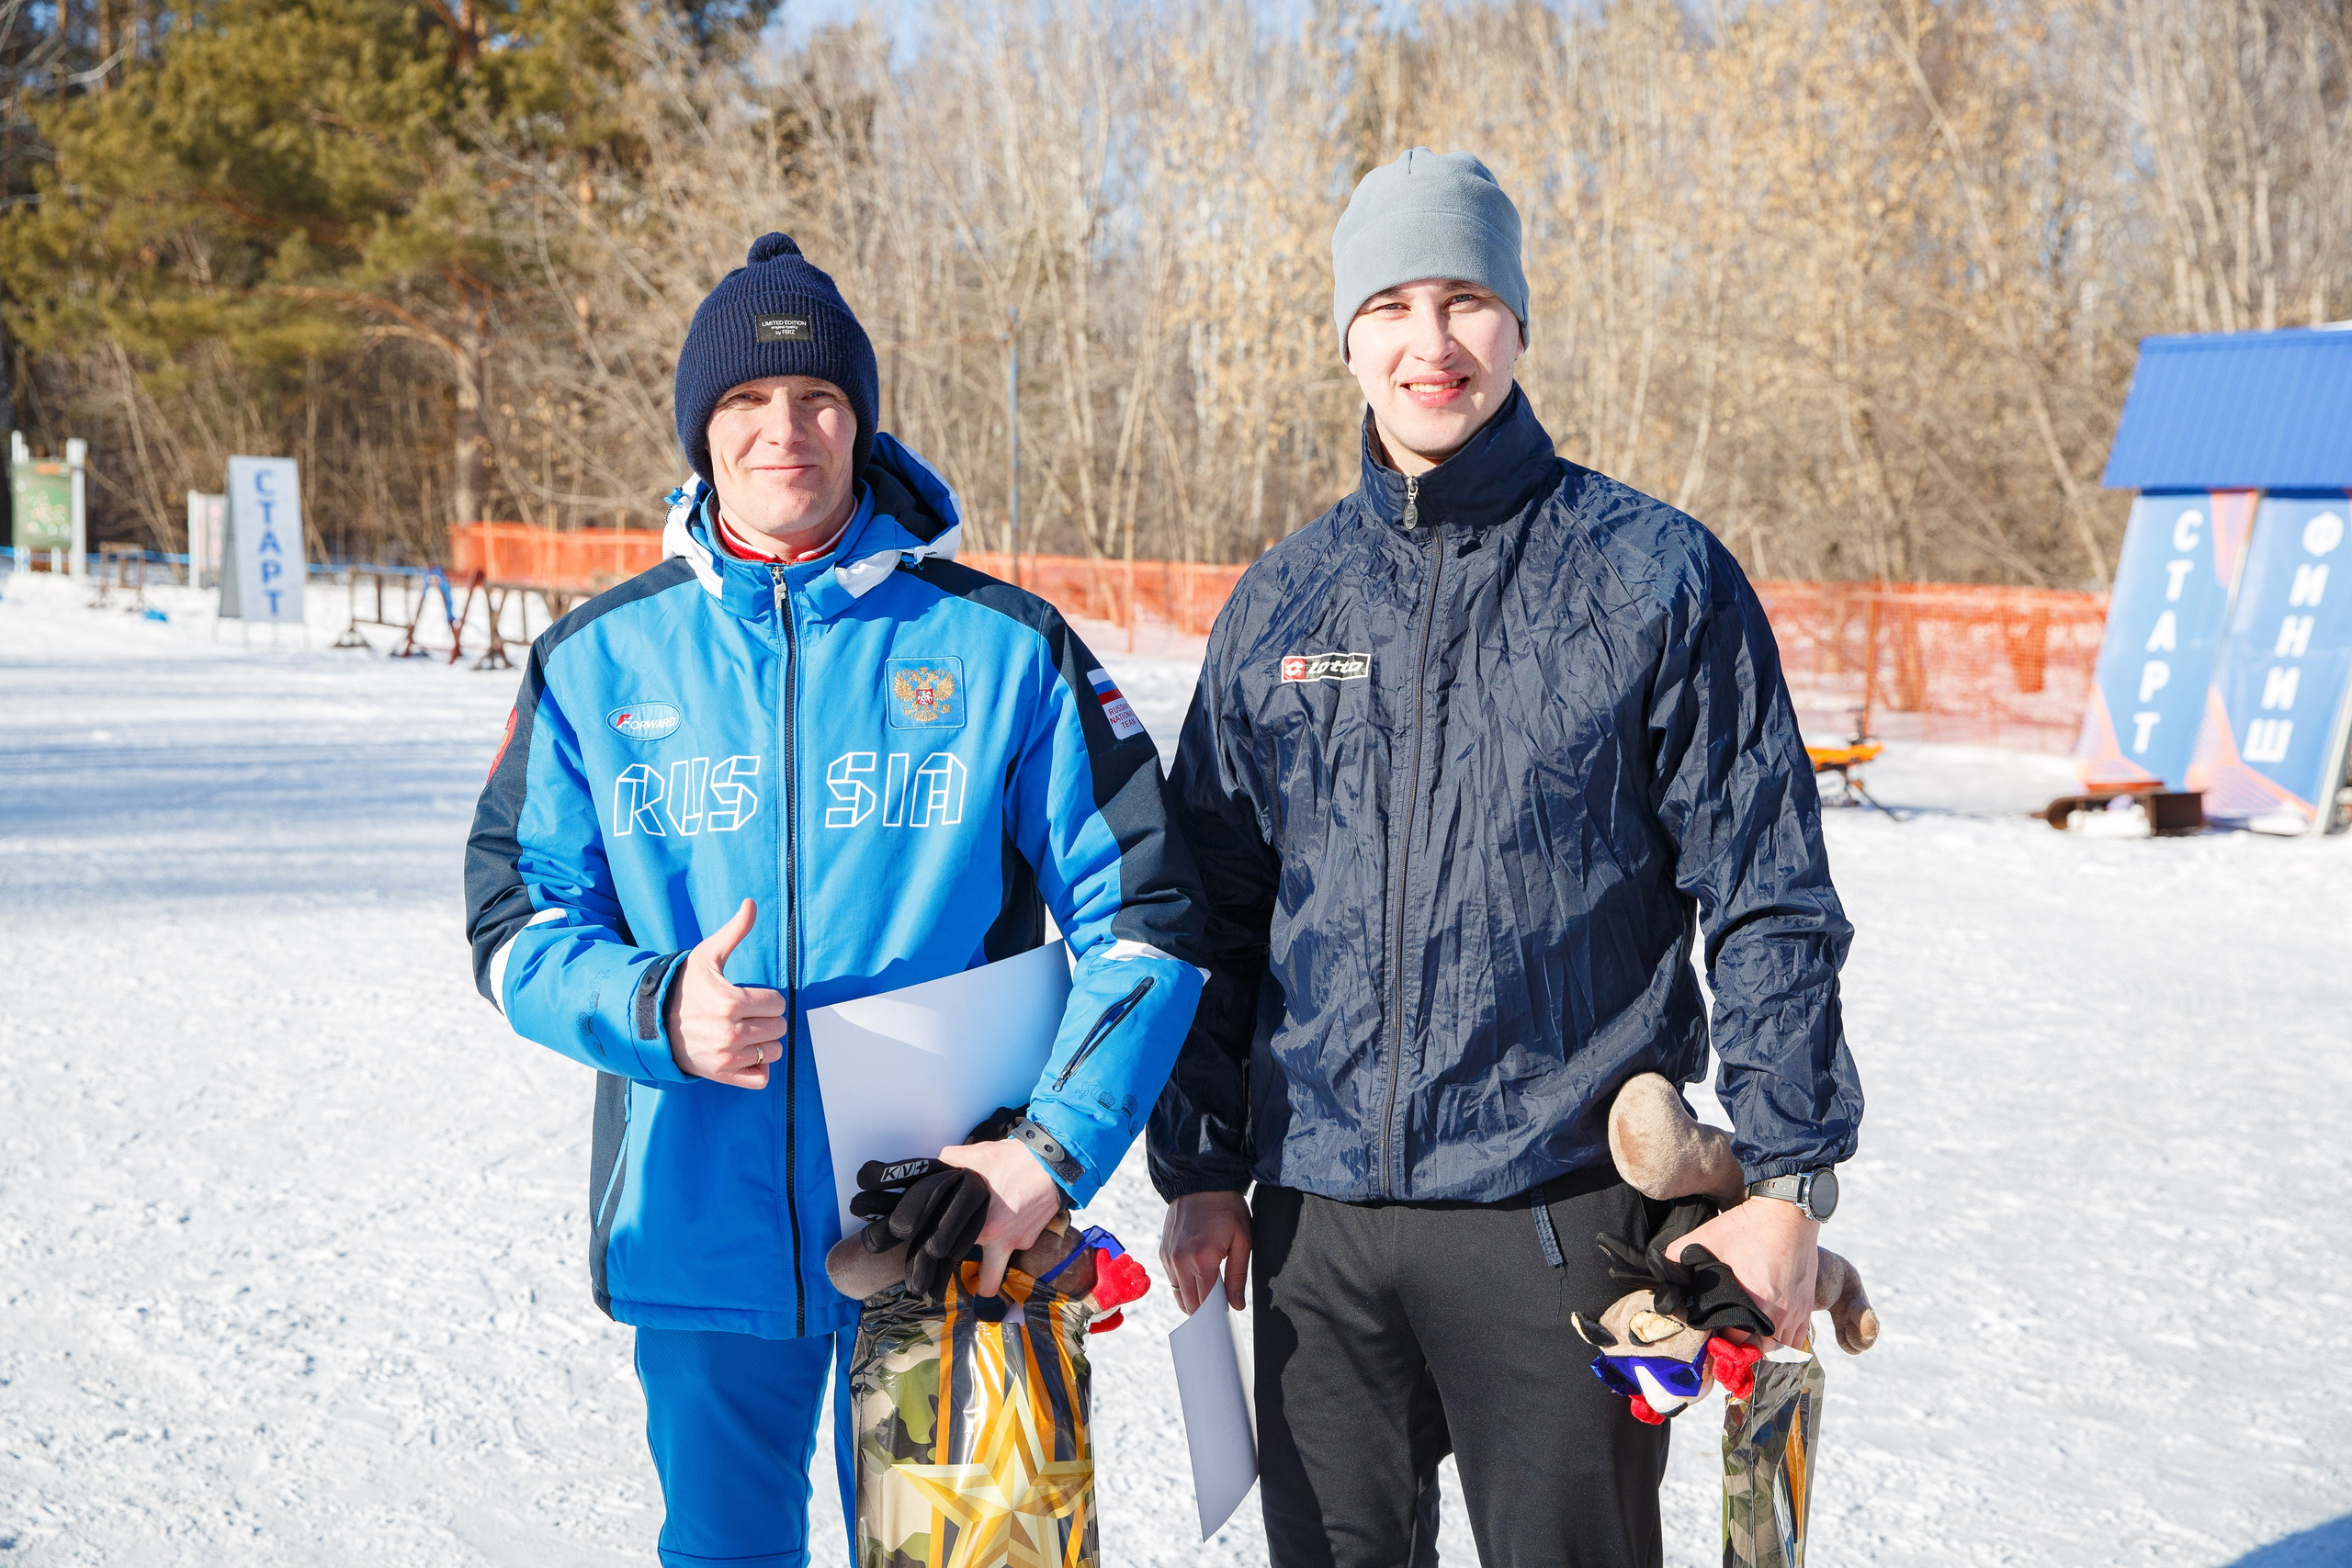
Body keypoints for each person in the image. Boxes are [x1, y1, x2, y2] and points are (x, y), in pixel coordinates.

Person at [1148, 150, 1864, 1568]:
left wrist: (1788, 1184)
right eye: (1395, 305)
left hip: (1560, 1214)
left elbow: (1770, 889)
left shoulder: (1656, 576)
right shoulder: (1285, 597)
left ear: (1519, 323)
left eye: (1467, 299)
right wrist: (1205, 1163)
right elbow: (1214, 910)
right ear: (1347, 332)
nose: (1432, 344)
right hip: (1319, 1225)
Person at [465, 232, 1204, 1567]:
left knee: (969, 1556)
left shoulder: (1003, 647)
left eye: (816, 399)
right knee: (725, 1551)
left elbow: (1146, 916)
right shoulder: (595, 661)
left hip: (949, 1225)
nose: (782, 430)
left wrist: (1046, 1156)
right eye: (744, 403)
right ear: (702, 430)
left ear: (861, 420)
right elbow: (512, 925)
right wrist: (653, 1008)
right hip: (698, 1219)